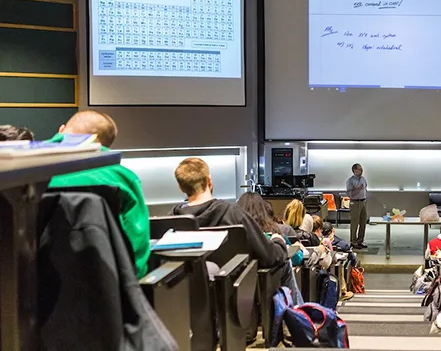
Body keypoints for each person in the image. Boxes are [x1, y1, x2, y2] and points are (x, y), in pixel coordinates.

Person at [47, 111, 151, 278]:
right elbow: (136, 248)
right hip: (106, 286)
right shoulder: (122, 178)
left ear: (61, 130)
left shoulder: (19, 171)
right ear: (106, 144)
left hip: (26, 286)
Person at [169, 158, 288, 269]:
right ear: (209, 180)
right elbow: (270, 258)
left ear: (181, 187)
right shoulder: (234, 214)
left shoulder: (170, 222)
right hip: (233, 290)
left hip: (185, 291)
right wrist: (279, 242)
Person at [237, 193, 303, 268]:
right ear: (263, 210)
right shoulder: (273, 234)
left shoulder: (232, 237)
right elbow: (297, 259)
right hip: (272, 277)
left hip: (241, 277)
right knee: (286, 263)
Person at [346, 163, 368, 249]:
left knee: (363, 222)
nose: (361, 170)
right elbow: (349, 193)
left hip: (363, 202)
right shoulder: (350, 181)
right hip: (354, 203)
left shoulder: (363, 179)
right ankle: (353, 241)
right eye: (359, 169)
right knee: (355, 223)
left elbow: (365, 188)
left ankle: (360, 241)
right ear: (354, 170)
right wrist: (357, 189)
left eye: (361, 169)